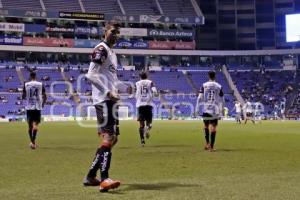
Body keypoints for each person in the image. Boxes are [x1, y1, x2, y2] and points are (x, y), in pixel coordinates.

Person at [83, 21, 122, 192]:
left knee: (113, 139)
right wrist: (108, 93)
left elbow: (108, 76)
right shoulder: (101, 49)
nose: (116, 35)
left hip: (110, 101)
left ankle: (91, 175)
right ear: (105, 31)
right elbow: (90, 75)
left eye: (118, 32)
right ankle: (104, 179)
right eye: (113, 31)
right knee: (108, 138)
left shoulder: (112, 53)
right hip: (104, 100)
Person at [196, 71, 224, 152]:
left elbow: (199, 98)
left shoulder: (204, 85)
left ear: (208, 76)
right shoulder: (219, 86)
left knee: (206, 126)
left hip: (205, 109)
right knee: (213, 128)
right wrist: (222, 109)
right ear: (215, 76)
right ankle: (211, 147)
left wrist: (197, 108)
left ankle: (207, 143)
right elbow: (222, 99)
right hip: (215, 110)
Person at [22, 71, 47, 149]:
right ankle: (33, 142)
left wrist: (27, 97)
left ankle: (32, 143)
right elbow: (45, 96)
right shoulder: (40, 84)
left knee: (30, 127)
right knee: (35, 126)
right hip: (37, 107)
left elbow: (23, 96)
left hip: (29, 107)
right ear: (35, 76)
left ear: (30, 76)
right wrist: (43, 103)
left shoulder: (26, 84)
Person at [135, 71, 158, 146]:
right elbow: (154, 90)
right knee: (149, 123)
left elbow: (134, 93)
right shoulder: (150, 82)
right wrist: (155, 94)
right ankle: (147, 128)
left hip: (140, 105)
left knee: (141, 125)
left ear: (140, 77)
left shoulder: (137, 83)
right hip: (148, 104)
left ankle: (142, 141)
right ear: (147, 76)